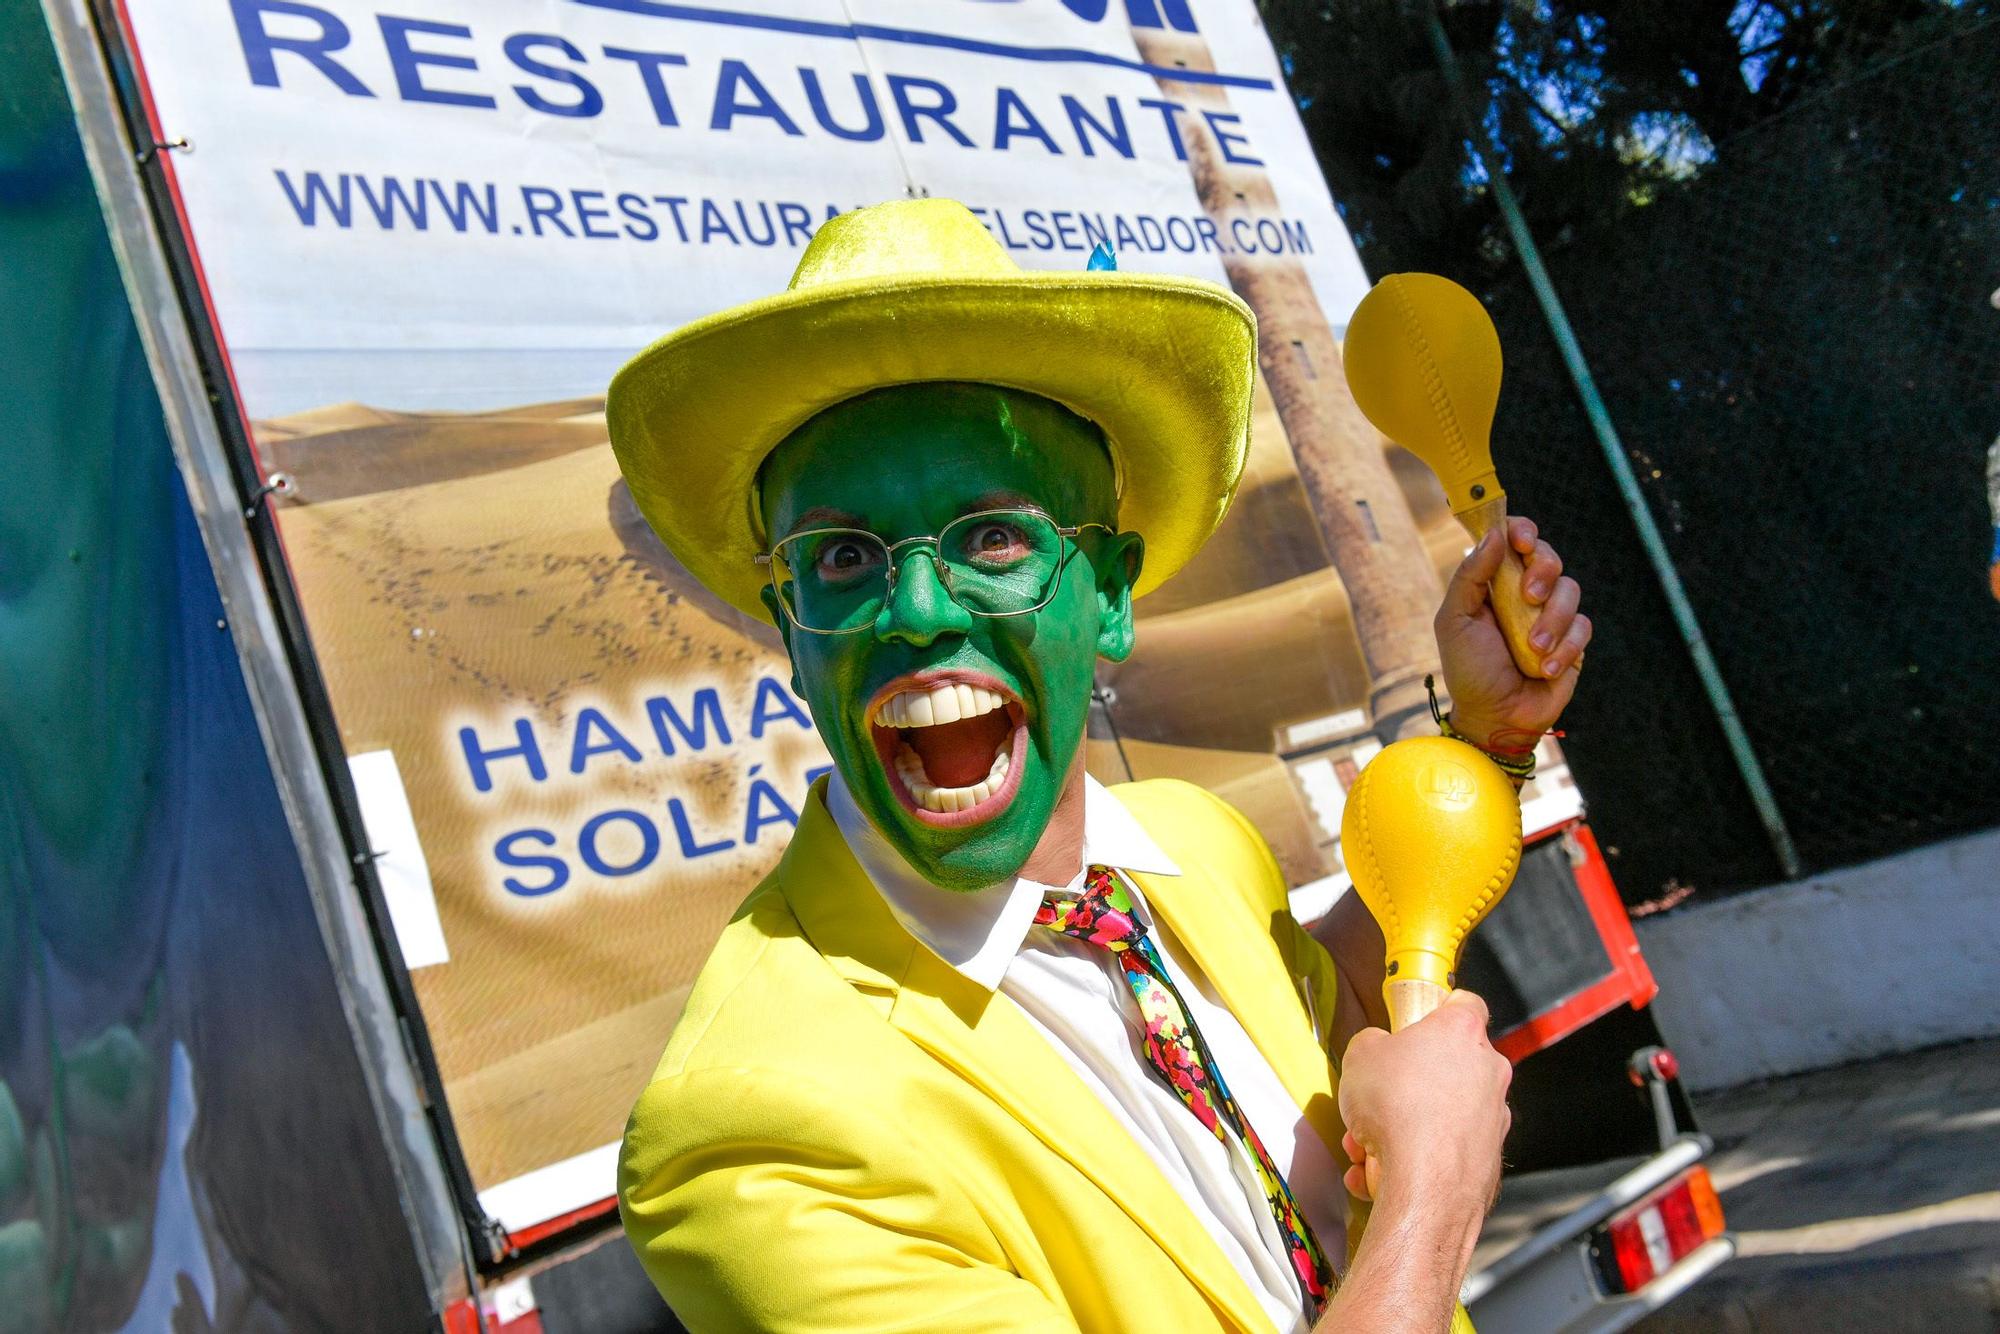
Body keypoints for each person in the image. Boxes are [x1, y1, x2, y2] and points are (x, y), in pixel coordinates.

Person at [608, 199, 1590, 1333]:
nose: (918, 610)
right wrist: (1430, 1197)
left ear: (1111, 592)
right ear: (791, 629)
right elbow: (1409, 1170)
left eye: (991, 537)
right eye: (841, 555)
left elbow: (1330, 1015)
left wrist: (1490, 740)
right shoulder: (751, 1137)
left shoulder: (1190, 839)